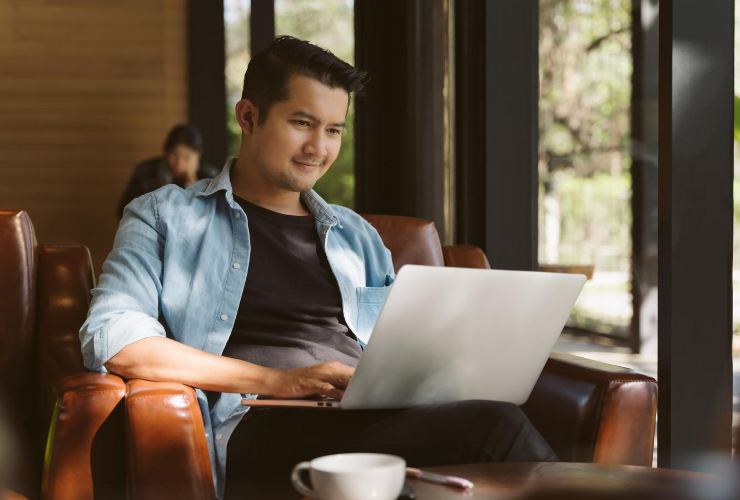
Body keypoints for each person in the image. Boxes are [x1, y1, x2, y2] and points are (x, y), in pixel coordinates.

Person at [79, 36, 556, 499]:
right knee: (496, 428)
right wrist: (279, 381)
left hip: (371, 419)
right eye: (302, 123)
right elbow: (113, 337)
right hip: (259, 424)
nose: (318, 147)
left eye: (333, 130)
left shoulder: (357, 236)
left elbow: (403, 351)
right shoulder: (164, 215)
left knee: (491, 419)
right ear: (248, 116)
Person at [116, 124, 220, 217]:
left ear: (198, 155)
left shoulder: (210, 176)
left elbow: (211, 216)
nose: (179, 163)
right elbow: (124, 210)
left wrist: (192, 180)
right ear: (165, 151)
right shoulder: (145, 173)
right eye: (174, 155)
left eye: (187, 157)